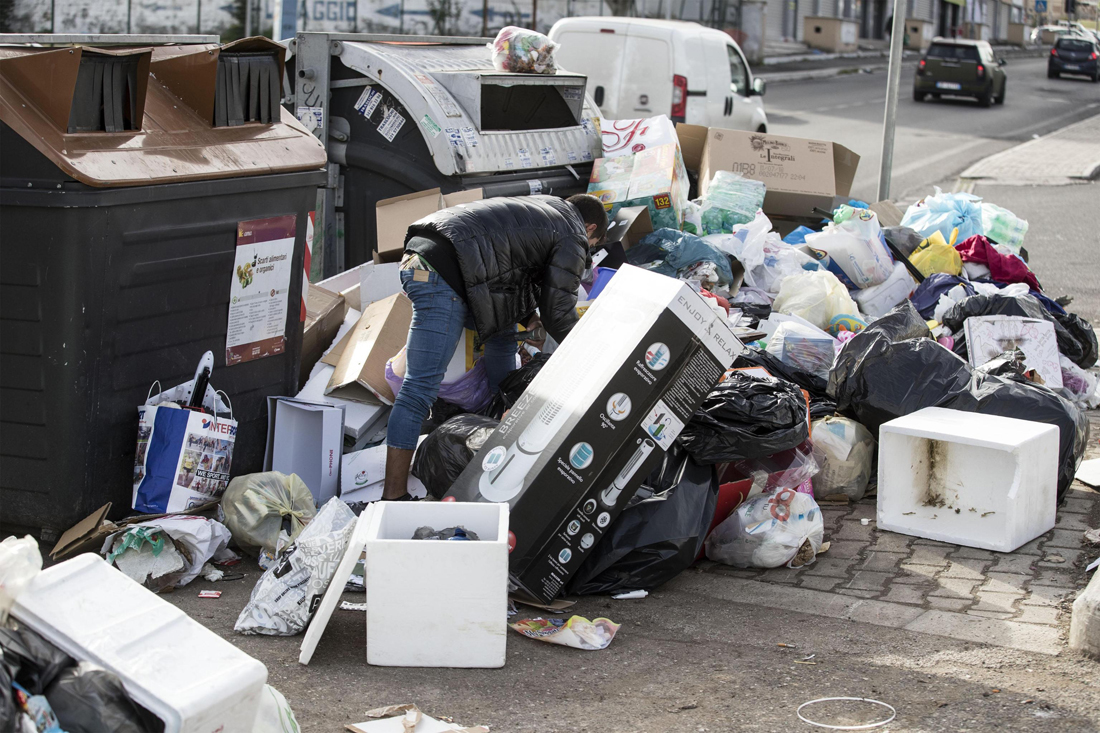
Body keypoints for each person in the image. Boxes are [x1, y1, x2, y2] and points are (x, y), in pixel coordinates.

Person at [382, 194, 609, 500]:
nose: (588, 251)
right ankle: (393, 497)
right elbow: (558, 312)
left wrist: (528, 318)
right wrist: (593, 356)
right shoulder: (573, 232)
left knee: (502, 335)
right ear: (590, 228)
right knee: (418, 388)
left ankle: (498, 419)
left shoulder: (545, 209)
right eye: (592, 245)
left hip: (424, 255)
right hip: (443, 273)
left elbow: (503, 269)